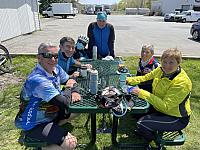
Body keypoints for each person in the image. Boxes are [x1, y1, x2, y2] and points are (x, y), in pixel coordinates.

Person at [15, 43, 80, 150]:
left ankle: (51, 130)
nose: (53, 59)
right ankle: (34, 140)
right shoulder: (38, 80)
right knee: (71, 144)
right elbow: (65, 103)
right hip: (34, 122)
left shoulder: (56, 68)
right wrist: (69, 88)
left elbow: (70, 80)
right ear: (39, 57)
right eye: (49, 56)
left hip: (50, 113)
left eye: (56, 56)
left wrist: (75, 92)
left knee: (77, 110)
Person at [126, 49, 192, 149]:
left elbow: (166, 106)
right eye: (164, 62)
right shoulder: (161, 69)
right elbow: (145, 77)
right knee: (135, 112)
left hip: (176, 118)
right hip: (159, 107)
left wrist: (142, 93)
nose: (167, 65)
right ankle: (148, 130)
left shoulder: (181, 83)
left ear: (178, 63)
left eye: (171, 62)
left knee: (141, 124)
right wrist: (128, 80)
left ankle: (154, 144)